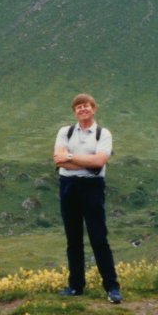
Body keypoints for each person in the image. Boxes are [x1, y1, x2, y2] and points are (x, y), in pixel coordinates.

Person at [53, 93, 122, 304]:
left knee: (98, 238)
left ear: (94, 108)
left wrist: (72, 158)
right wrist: (87, 162)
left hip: (92, 187)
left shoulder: (103, 134)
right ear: (74, 111)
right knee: (73, 239)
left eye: (86, 106)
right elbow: (59, 160)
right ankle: (75, 286)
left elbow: (100, 161)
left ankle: (112, 288)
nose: (82, 109)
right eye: (78, 107)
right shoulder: (65, 131)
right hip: (69, 186)